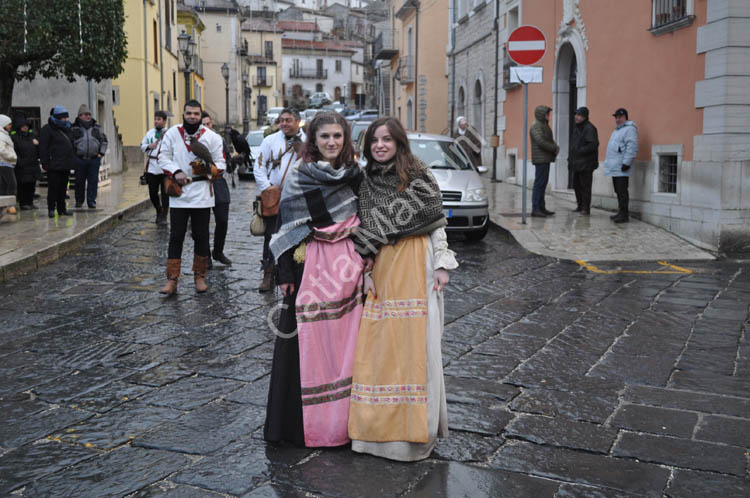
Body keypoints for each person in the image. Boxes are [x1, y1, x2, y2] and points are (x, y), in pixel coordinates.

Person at [348, 117, 458, 462]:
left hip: (417, 263)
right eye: (374, 141)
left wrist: (442, 264)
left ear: (398, 142)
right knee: (380, 351)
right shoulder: (365, 183)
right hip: (383, 267)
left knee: (417, 350)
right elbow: (365, 229)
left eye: (386, 140)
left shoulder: (420, 174)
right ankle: (374, 435)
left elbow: (437, 222)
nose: (380, 146)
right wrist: (364, 268)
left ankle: (414, 435)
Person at [264, 112, 364, 447]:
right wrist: (285, 273)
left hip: (351, 268)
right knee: (303, 344)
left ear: (345, 138)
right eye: (325, 137)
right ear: (314, 141)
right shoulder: (300, 177)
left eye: (337, 136)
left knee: (351, 343)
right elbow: (286, 228)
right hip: (310, 268)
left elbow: (370, 216)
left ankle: (350, 424)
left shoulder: (356, 175)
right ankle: (298, 426)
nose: (331, 142)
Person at [157, 100, 225, 295]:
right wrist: (176, 171)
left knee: (201, 236)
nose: (192, 117)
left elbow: (221, 163)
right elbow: (163, 157)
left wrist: (207, 170)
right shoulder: (172, 133)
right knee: (176, 235)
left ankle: (200, 276)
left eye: (196, 114)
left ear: (200, 115)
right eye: (189, 113)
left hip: (202, 192)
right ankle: (172, 279)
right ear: (183, 114)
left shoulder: (211, 137)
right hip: (179, 193)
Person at [255, 108, 306, 292]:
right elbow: (258, 166)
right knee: (271, 237)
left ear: (298, 121)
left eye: (288, 120)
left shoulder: (308, 141)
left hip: (299, 197)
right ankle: (268, 274)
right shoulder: (270, 140)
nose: (284, 123)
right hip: (275, 198)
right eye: (281, 120)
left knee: (298, 237)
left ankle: (296, 274)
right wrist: (267, 188)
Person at [200, 112, 233, 266]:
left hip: (219, 182)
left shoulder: (219, 139)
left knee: (222, 220)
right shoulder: (194, 141)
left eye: (208, 124)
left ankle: (218, 252)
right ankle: (205, 255)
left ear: (211, 124)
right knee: (202, 222)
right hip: (201, 183)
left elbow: (226, 159)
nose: (206, 127)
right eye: (203, 124)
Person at [39, 106, 76, 218]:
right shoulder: (47, 129)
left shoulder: (68, 128)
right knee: (53, 188)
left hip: (66, 163)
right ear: (56, 118)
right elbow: (43, 147)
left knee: (63, 188)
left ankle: (62, 209)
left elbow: (71, 143)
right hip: (53, 164)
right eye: (62, 118)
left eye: (66, 117)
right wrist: (45, 162)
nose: (65, 120)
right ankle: (51, 208)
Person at [604, 108, 639, 223]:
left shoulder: (629, 129)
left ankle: (624, 214)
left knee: (622, 191)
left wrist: (626, 163)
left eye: (620, 117)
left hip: (622, 166)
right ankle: (621, 212)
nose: (617, 119)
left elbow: (632, 146)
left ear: (625, 117)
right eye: (616, 117)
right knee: (618, 191)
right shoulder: (617, 130)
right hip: (615, 167)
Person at [70, 104, 108, 209]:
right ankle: (79, 201)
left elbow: (104, 141)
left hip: (94, 159)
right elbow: (70, 143)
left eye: (89, 114)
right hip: (80, 159)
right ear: (80, 116)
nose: (88, 116)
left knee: (93, 181)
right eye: (86, 114)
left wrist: (101, 153)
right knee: (79, 181)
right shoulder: (74, 128)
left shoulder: (97, 128)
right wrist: (74, 157)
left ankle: (91, 201)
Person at [568, 107, 599, 216]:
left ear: (584, 117)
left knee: (585, 186)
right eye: (576, 114)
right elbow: (573, 145)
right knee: (576, 185)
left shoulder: (590, 128)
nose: (576, 117)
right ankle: (580, 205)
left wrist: (580, 151)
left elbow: (593, 145)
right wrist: (570, 158)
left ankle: (586, 208)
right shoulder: (577, 128)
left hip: (586, 163)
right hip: (576, 163)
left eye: (579, 115)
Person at [529, 105, 559, 218]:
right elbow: (541, 141)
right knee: (539, 184)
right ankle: (536, 208)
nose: (548, 116)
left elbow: (549, 140)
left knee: (542, 184)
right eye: (547, 114)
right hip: (540, 159)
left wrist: (555, 146)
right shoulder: (536, 126)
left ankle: (541, 207)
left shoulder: (544, 125)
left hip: (545, 158)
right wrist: (553, 148)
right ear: (541, 114)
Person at [140, 110, 169, 224]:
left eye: (159, 119)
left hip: (165, 168)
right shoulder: (149, 133)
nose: (156, 121)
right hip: (152, 168)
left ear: (165, 121)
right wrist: (149, 146)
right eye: (155, 119)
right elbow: (142, 146)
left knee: (165, 193)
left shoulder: (169, 133)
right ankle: (158, 209)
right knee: (152, 193)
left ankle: (164, 215)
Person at [11, 116, 41, 210]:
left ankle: (30, 202)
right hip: (22, 166)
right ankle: (23, 203)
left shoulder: (32, 136)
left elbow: (38, 151)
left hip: (32, 165)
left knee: (32, 185)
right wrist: (20, 162)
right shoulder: (15, 138)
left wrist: (37, 145)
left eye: (26, 126)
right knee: (23, 185)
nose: (25, 128)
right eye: (23, 126)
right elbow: (14, 151)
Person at [0, 114, 18, 214]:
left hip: (5, 163)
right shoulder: (1, 135)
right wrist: (12, 157)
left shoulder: (4, 134)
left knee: (3, 185)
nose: (10, 126)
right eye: (8, 124)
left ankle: (4, 206)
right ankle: (10, 205)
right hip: (5, 163)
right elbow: (1, 150)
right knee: (12, 184)